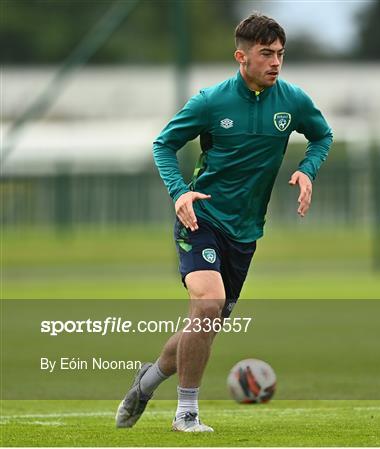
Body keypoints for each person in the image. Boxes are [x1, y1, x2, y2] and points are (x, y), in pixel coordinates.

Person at [115, 12, 332, 433]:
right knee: (208, 304)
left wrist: (308, 168)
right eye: (266, 54)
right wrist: (180, 192)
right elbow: (164, 144)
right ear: (241, 56)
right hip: (202, 217)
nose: (275, 62)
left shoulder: (293, 101)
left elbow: (322, 136)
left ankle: (148, 380)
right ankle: (187, 413)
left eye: (280, 54)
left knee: (205, 325)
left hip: (246, 229)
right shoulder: (211, 101)